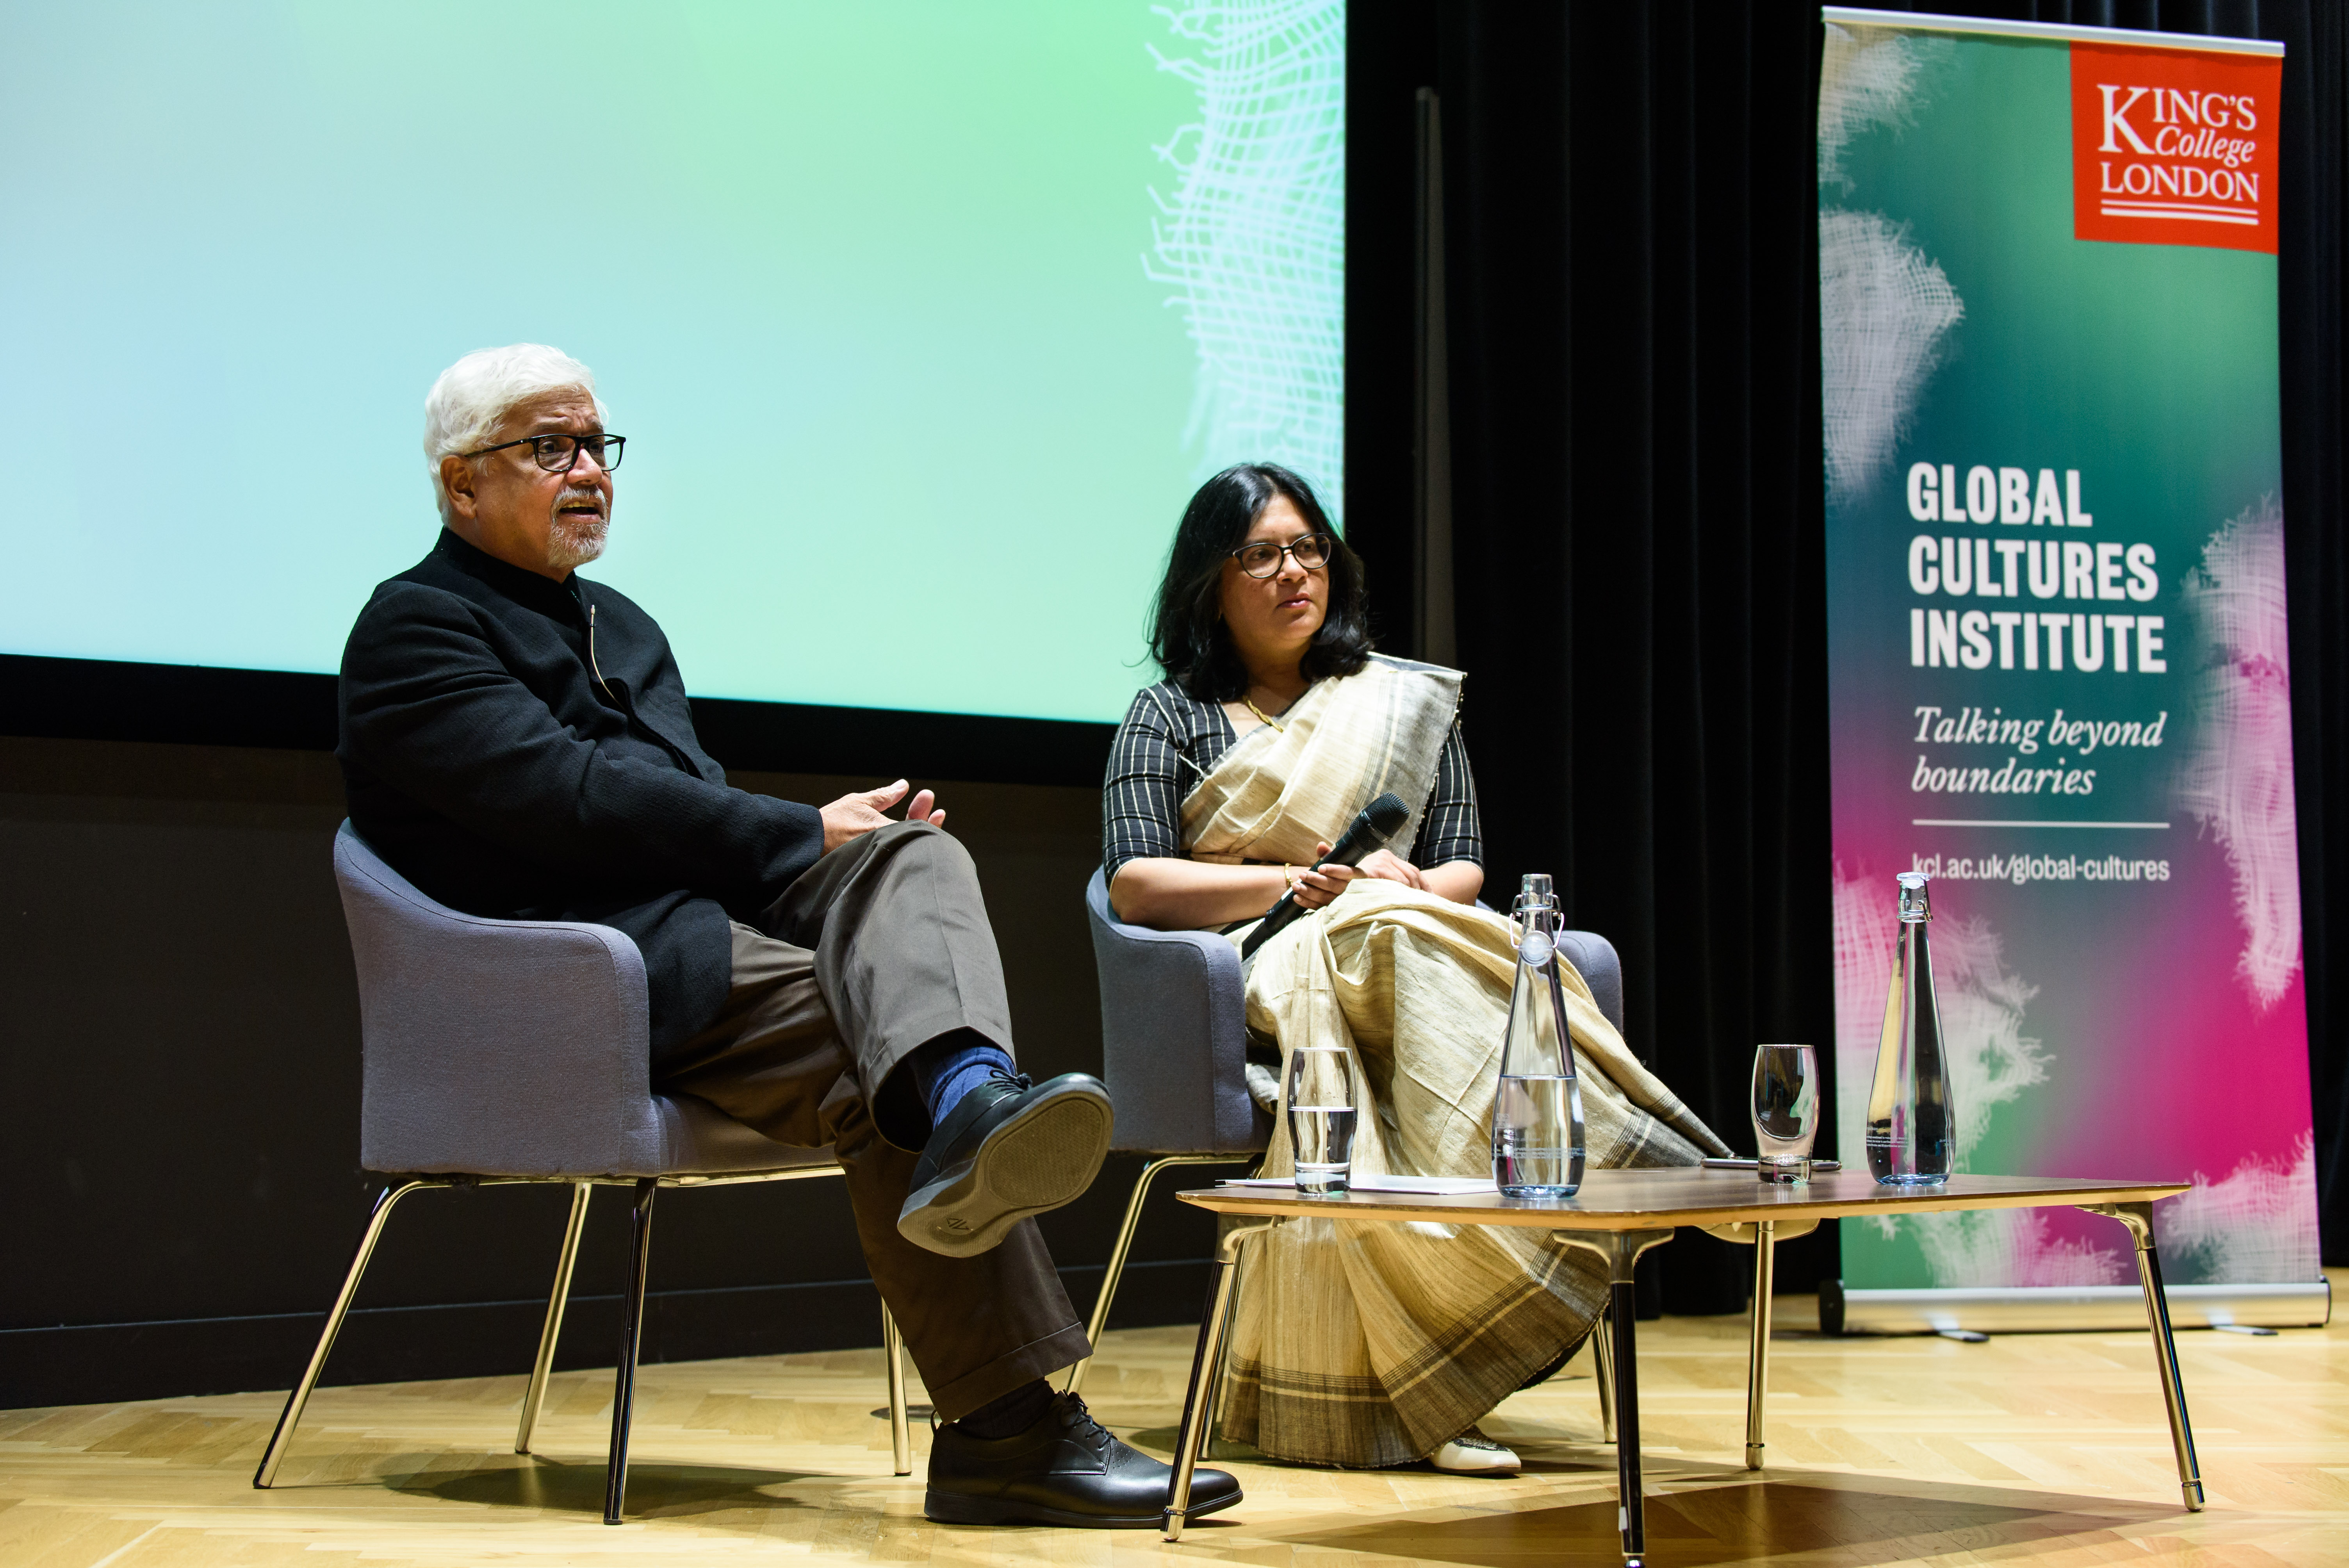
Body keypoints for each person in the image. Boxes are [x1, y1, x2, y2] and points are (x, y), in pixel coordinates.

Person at [338, 344, 1241, 1529]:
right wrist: (793, 832)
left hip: (686, 942)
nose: (588, 472)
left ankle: (968, 1099)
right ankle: (1008, 1429)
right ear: (461, 484)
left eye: (597, 446)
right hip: (567, 987)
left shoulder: (623, 623)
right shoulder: (417, 628)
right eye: (547, 447)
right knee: (873, 1043)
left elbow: (688, 815)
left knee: (909, 854)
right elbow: (571, 802)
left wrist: (833, 844)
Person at [1103, 463, 1730, 1473]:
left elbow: (1466, 864)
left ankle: (1447, 1364)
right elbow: (1134, 883)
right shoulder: (1169, 717)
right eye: (1261, 554)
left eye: (1307, 548)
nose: (1292, 572)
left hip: (1400, 933)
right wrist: (1295, 881)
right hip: (1257, 961)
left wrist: (1393, 879)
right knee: (1397, 931)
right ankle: (1635, 1149)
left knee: (1408, 923)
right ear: (1210, 584)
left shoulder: (1396, 705)